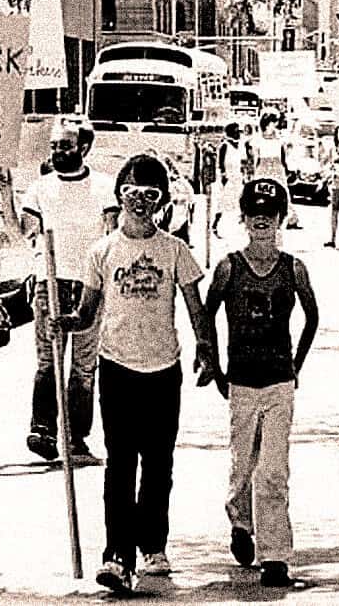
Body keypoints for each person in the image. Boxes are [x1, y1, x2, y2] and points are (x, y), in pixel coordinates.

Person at [54, 153, 217, 594]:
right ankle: (116, 556)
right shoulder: (101, 251)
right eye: (132, 194)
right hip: (117, 367)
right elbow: (87, 313)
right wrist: (64, 322)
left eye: (150, 195)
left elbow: (194, 305)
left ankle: (153, 544)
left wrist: (207, 348)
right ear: (119, 196)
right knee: (120, 464)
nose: (141, 202)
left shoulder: (175, 249)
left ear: (162, 200)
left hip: (164, 368)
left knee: (159, 464)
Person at [202, 178, 319, 588]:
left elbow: (312, 317)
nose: (262, 219)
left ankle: (275, 555)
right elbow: (207, 313)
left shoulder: (293, 268)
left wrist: (296, 364)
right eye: (254, 212)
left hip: (278, 381)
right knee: (242, 464)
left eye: (270, 213)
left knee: (272, 470)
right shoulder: (229, 266)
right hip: (241, 380)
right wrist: (213, 363)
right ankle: (240, 522)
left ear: (282, 218)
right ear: (243, 217)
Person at [21, 118, 119, 463]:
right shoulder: (39, 188)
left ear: (84, 148)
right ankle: (43, 430)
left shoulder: (105, 187)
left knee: (83, 367)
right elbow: (24, 232)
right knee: (49, 362)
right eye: (54, 145)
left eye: (65, 145)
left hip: (90, 285)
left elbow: (111, 234)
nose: (58, 151)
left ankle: (76, 439)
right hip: (51, 282)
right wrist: (6, 194)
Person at [246, 109, 300, 229]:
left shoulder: (280, 137)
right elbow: (256, 158)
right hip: (264, 166)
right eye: (273, 121)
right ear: (267, 123)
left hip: (276, 166)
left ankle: (283, 220)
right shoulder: (258, 139)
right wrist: (254, 172)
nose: (275, 124)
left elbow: (286, 152)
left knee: (281, 193)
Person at [213, 123, 247, 239]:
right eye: (236, 131)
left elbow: (242, 162)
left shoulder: (240, 146)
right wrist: (223, 177)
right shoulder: (225, 145)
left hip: (237, 177)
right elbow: (220, 163)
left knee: (241, 202)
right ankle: (215, 226)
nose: (238, 134)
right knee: (222, 203)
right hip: (227, 177)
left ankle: (242, 226)